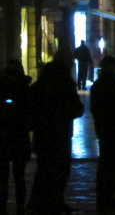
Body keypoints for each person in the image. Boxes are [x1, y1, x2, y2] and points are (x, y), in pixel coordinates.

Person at [27, 49, 84, 215]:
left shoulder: (42, 82)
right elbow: (75, 108)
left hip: (43, 133)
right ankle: (55, 201)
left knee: (44, 169)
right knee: (60, 169)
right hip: (60, 132)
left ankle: (38, 202)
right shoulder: (65, 82)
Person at [90, 56, 115, 209]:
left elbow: (94, 108)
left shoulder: (98, 85)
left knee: (105, 162)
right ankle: (110, 195)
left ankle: (103, 194)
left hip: (104, 127)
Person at [0, 60, 31, 215]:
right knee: (19, 177)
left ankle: (3, 206)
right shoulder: (24, 88)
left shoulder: (3, 86)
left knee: (4, 176)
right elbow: (30, 114)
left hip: (5, 137)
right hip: (19, 137)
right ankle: (19, 206)